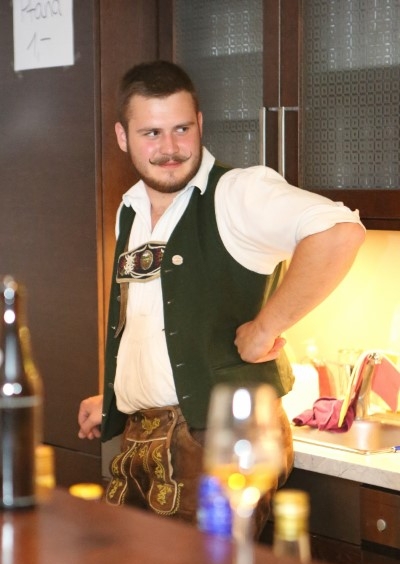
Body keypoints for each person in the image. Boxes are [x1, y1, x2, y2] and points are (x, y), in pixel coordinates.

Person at [78, 60, 365, 537]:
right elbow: (154, 322)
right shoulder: (132, 208)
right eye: (151, 133)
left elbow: (340, 233)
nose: (170, 148)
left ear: (200, 123)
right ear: (122, 137)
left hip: (217, 442)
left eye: (182, 129)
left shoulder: (237, 192)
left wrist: (266, 328)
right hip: (142, 437)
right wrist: (117, 394)